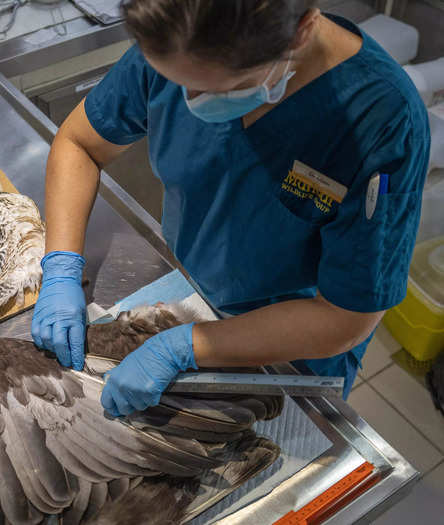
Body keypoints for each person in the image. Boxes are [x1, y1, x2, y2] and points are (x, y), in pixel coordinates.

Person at [31, 0, 430, 416]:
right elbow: (80, 144)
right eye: (177, 82)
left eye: (219, 89)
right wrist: (61, 266)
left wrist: (184, 347)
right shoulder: (183, 32)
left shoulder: (380, 122)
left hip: (291, 346)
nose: (190, 101)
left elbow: (344, 319)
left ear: (302, 30)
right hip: (191, 291)